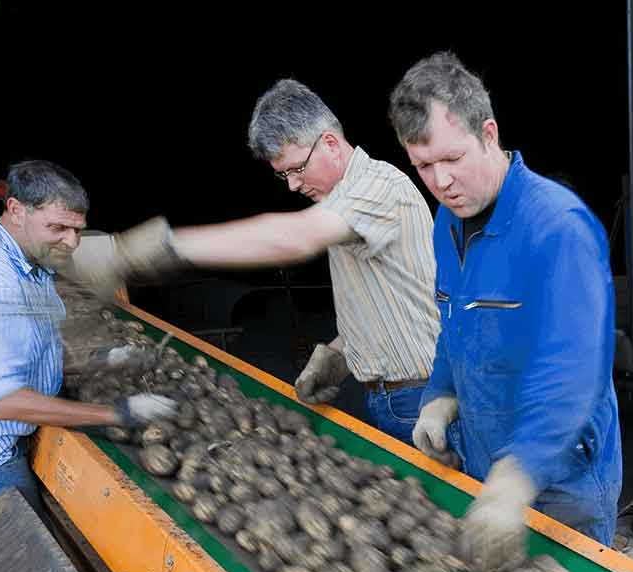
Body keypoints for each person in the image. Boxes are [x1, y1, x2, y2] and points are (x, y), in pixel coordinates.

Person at [66, 80, 440, 445]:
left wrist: (140, 250)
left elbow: (294, 238)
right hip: (388, 396)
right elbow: (387, 294)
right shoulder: (344, 204)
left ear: (329, 142)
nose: (292, 185)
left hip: (420, 396)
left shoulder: (379, 188)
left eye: (297, 168)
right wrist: (341, 354)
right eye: (283, 174)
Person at [390, 53, 622, 570]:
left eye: (453, 158)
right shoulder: (445, 225)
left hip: (563, 478)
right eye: (424, 166)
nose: (441, 180)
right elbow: (456, 324)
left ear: (489, 134)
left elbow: (575, 369)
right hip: (483, 461)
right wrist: (438, 397)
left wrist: (517, 477)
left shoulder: (558, 227)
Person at [0, 160, 176, 506]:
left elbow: (27, 342)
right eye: (58, 228)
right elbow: (2, 402)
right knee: (23, 552)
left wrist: (103, 358)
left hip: (3, 432)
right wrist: (118, 413)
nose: (71, 242)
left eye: (78, 229)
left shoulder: (26, 256)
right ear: (16, 209)